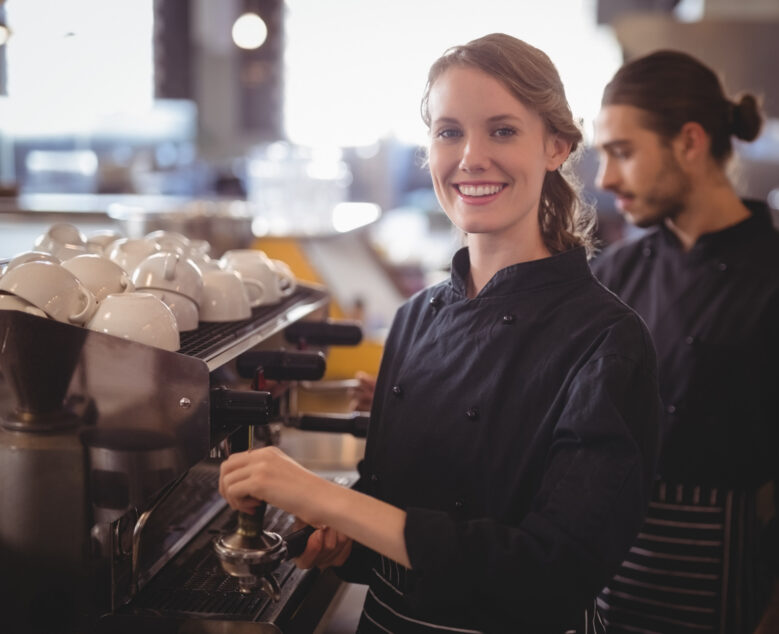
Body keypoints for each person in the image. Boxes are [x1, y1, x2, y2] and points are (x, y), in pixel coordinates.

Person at [219, 33, 661, 633]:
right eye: (449, 131)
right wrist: (344, 540)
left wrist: (327, 497)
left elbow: (553, 572)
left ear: (555, 146)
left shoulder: (607, 341)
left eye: (502, 130)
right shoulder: (415, 318)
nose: (471, 157)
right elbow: (394, 520)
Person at [589, 50, 779, 634]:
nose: (605, 179)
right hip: (606, 582)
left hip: (728, 590)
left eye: (622, 151)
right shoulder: (611, 276)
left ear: (689, 141)